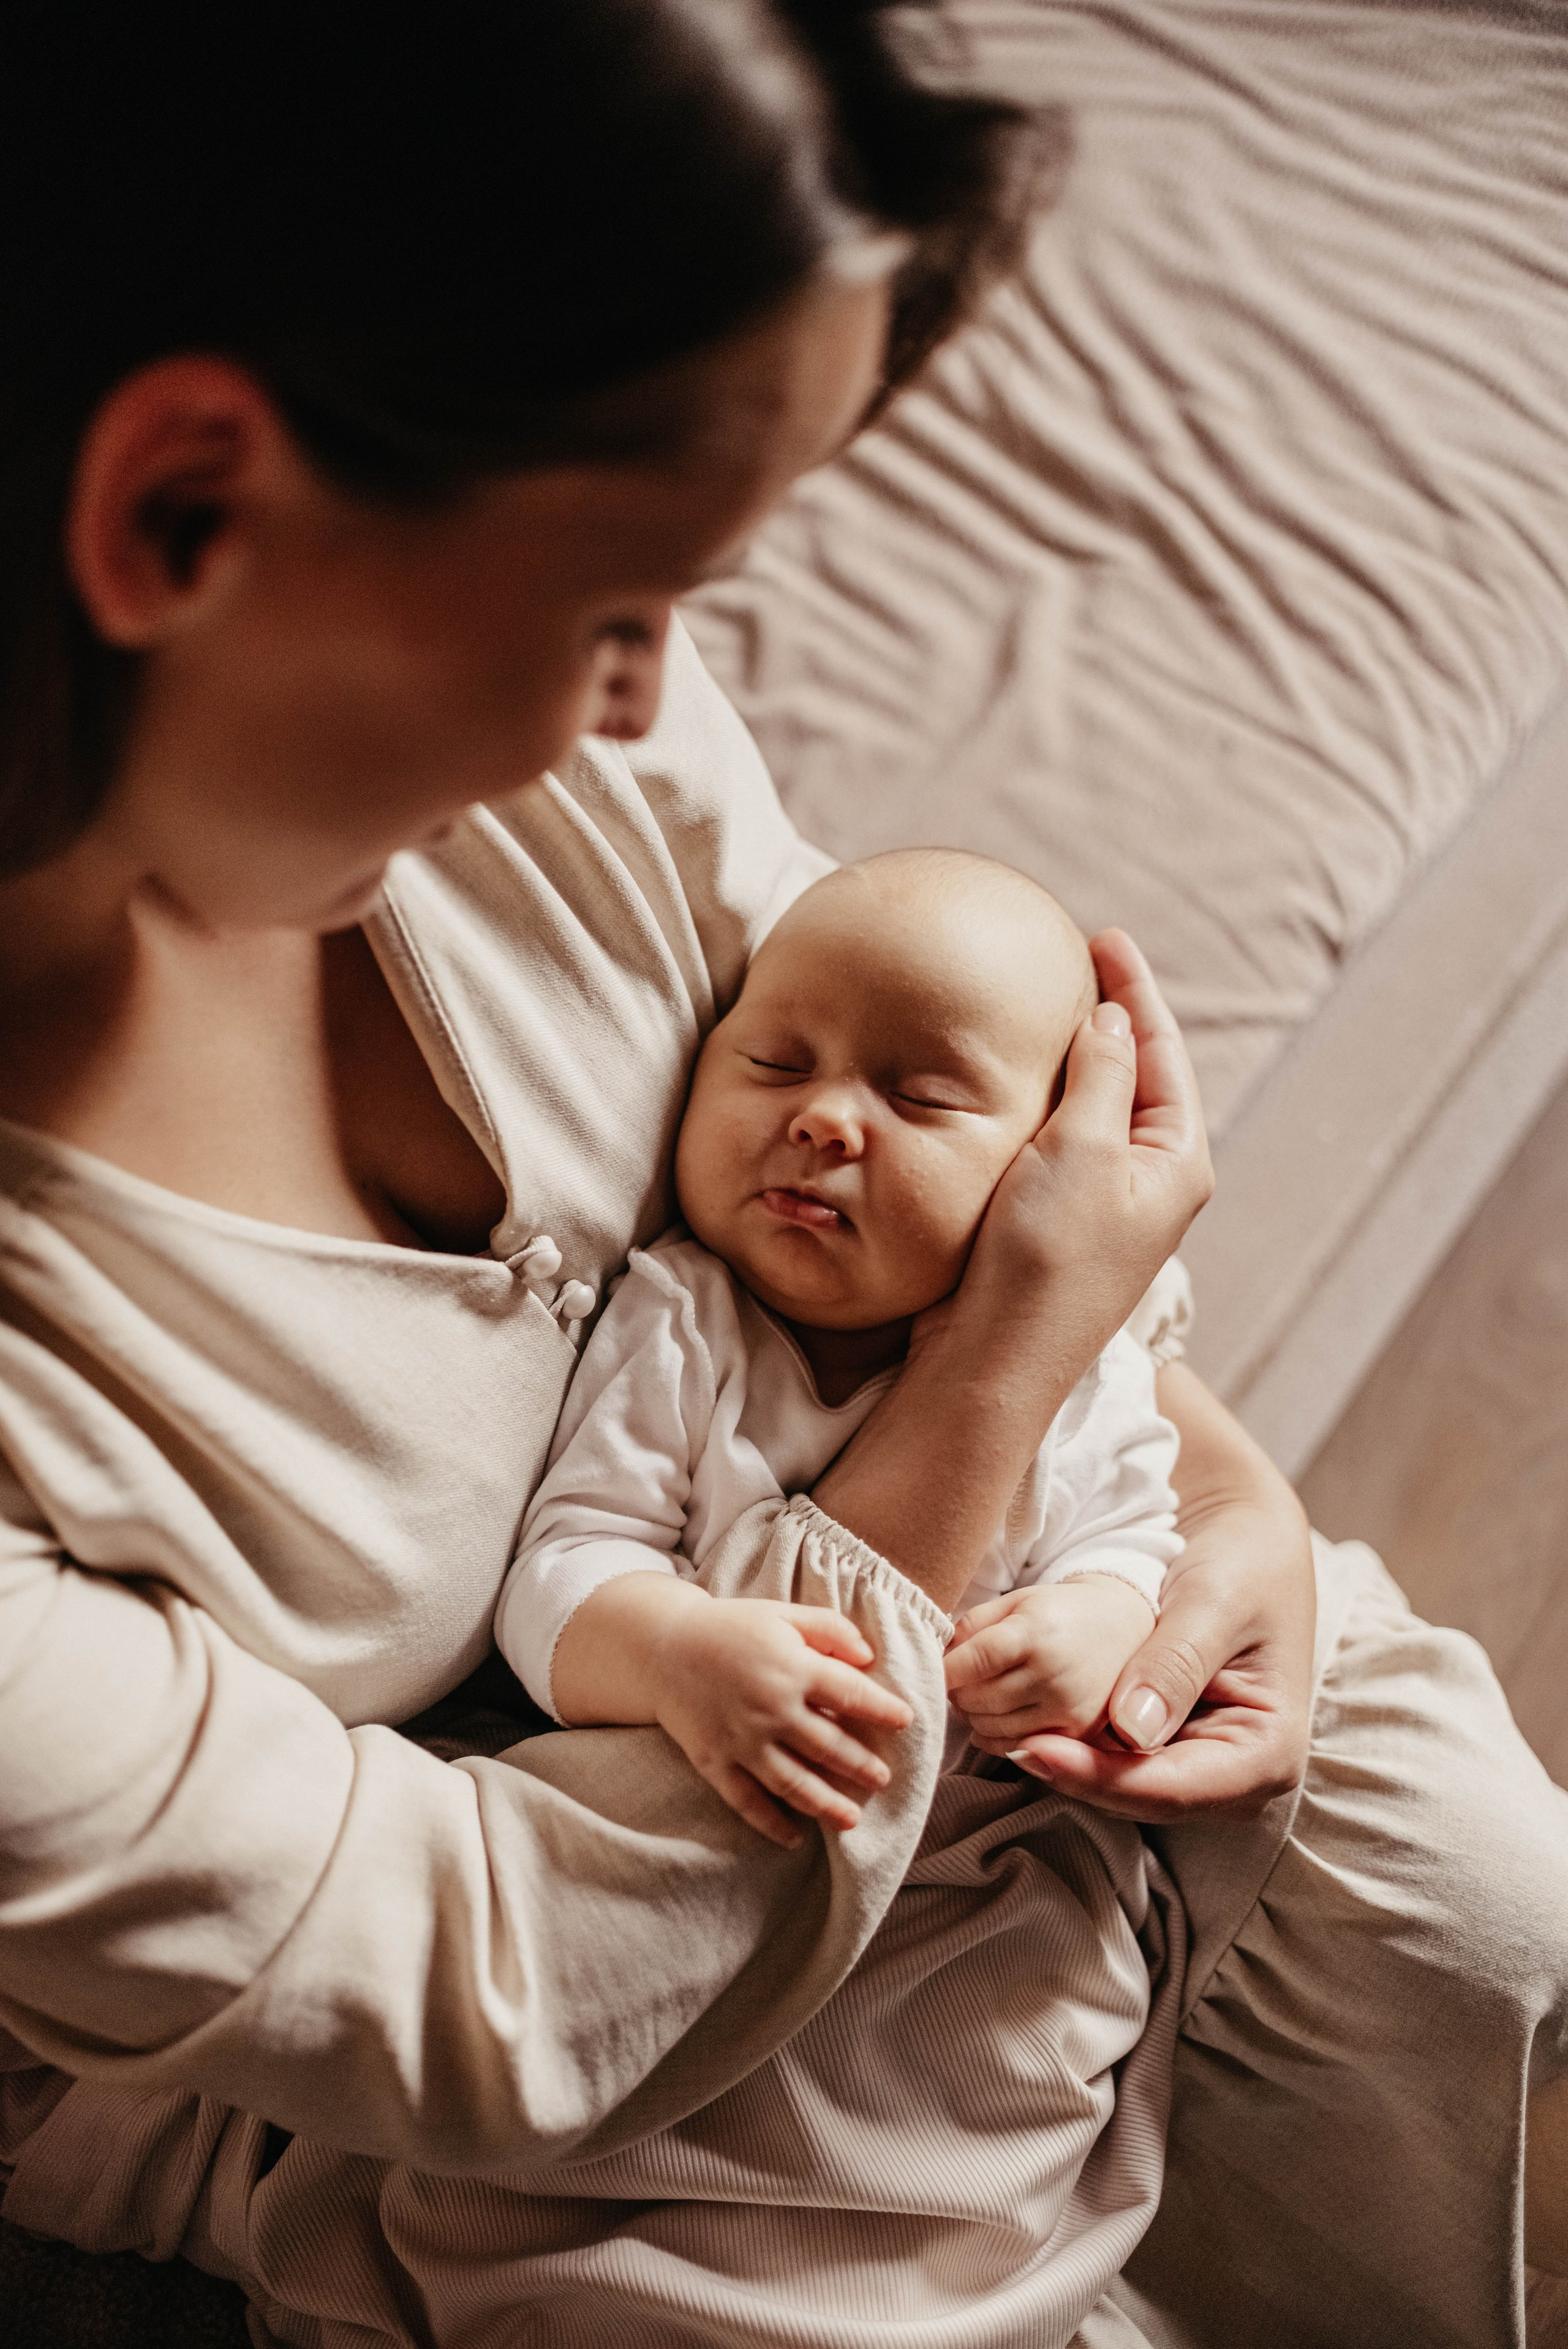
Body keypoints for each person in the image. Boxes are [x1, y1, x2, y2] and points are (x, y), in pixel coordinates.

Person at [0, 2, 1561, 2344]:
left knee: (1477, 1910)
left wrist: (1196, 1501)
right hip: (502, 1985)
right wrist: (1003, 1373)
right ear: (179, 510)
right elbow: (497, 1984)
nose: (655, 701)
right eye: (624, 604)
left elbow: (948, 1115)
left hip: (946, 1569)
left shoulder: (502, 775)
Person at [501, 850, 1184, 1839]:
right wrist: (675, 1650)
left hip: (1002, 1834)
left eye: (922, 1099)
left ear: (1052, 1162)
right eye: (777, 1064)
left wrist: (1100, 1620)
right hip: (751, 1849)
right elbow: (564, 1564)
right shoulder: (687, 1322)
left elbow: (1133, 1536)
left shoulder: (1084, 1364)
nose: (822, 1119)